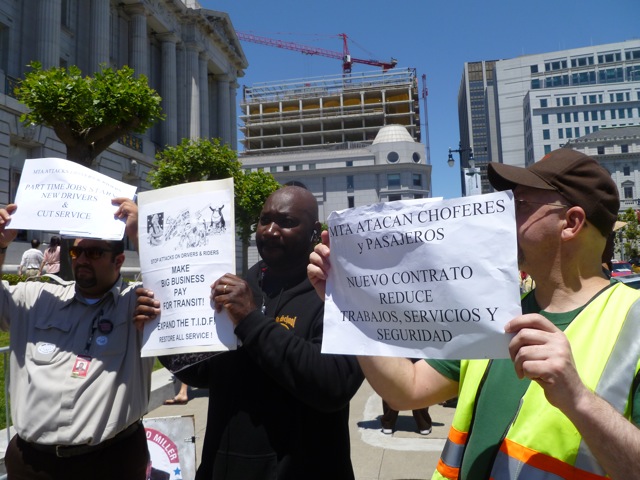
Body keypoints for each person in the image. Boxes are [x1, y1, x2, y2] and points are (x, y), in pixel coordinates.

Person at [308, 148, 640, 479]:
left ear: (571, 223)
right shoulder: (494, 311)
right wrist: (351, 305)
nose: (504, 217)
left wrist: (578, 399)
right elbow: (406, 390)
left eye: (520, 206)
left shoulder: (634, 323)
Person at [135, 185, 364, 480]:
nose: (270, 230)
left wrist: (250, 320)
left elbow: (333, 386)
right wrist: (160, 330)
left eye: (286, 222)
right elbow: (204, 373)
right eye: (264, 220)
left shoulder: (336, 293)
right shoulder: (240, 285)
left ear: (313, 230)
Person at [0, 198, 153, 480]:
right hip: (30, 464)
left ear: (118, 260)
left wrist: (142, 235)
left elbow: (176, 289)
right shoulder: (36, 298)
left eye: (94, 252)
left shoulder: (137, 304)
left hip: (110, 464)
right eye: (76, 251)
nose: (82, 259)